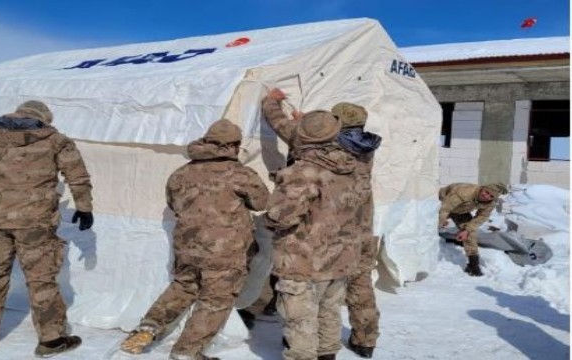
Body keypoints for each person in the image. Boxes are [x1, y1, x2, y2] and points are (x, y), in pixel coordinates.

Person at [0, 100, 94, 357]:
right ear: (44, 118)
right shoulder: (56, 140)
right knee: (42, 280)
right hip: (36, 223)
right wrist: (84, 207)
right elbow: (77, 177)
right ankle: (51, 340)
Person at [119, 119, 269, 360]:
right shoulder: (241, 174)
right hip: (225, 250)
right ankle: (187, 352)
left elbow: (173, 204)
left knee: (183, 286)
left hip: (187, 246)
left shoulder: (181, 173)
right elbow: (262, 202)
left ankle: (148, 326)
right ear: (234, 145)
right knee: (215, 300)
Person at [262, 88, 383, 358]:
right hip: (354, 229)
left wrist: (274, 102)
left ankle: (303, 348)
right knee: (349, 291)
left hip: (313, 238)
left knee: (303, 309)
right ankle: (365, 339)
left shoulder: (311, 163)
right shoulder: (362, 151)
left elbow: (282, 125)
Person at [331, 102, 382, 359]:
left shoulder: (331, 148)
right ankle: (365, 340)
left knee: (320, 287)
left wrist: (274, 105)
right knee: (361, 285)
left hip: (334, 233)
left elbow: (292, 133)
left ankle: (314, 343)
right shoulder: (366, 147)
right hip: (363, 231)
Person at [438, 183, 509, 276]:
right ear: (482, 188)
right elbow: (445, 208)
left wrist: (466, 230)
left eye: (491, 196)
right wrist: (442, 221)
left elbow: (482, 216)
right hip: (441, 203)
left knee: (470, 233)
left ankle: (473, 265)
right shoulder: (464, 192)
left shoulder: (490, 202)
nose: (487, 196)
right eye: (486, 192)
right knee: (432, 225)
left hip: (460, 211)